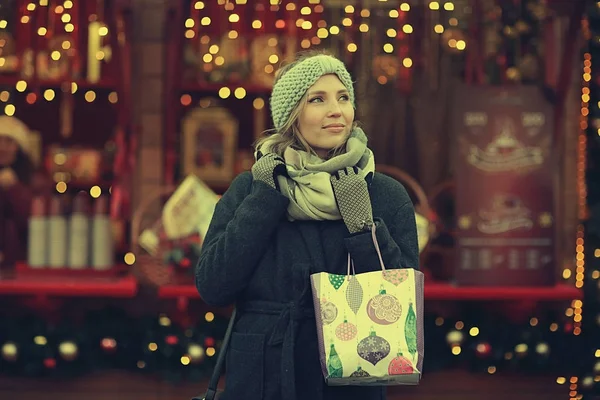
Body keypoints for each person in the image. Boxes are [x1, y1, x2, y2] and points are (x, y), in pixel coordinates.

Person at [195, 51, 419, 400]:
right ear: (291, 117)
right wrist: (265, 200)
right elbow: (213, 285)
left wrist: (362, 226)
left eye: (343, 97)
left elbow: (400, 302)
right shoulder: (254, 187)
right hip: (263, 377)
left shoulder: (382, 192)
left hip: (348, 379)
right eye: (318, 99)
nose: (336, 110)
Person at [0, 116, 41, 268]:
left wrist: (14, 188)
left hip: (23, 264)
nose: (2, 147)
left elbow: (32, 219)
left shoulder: (34, 180)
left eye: (9, 141)